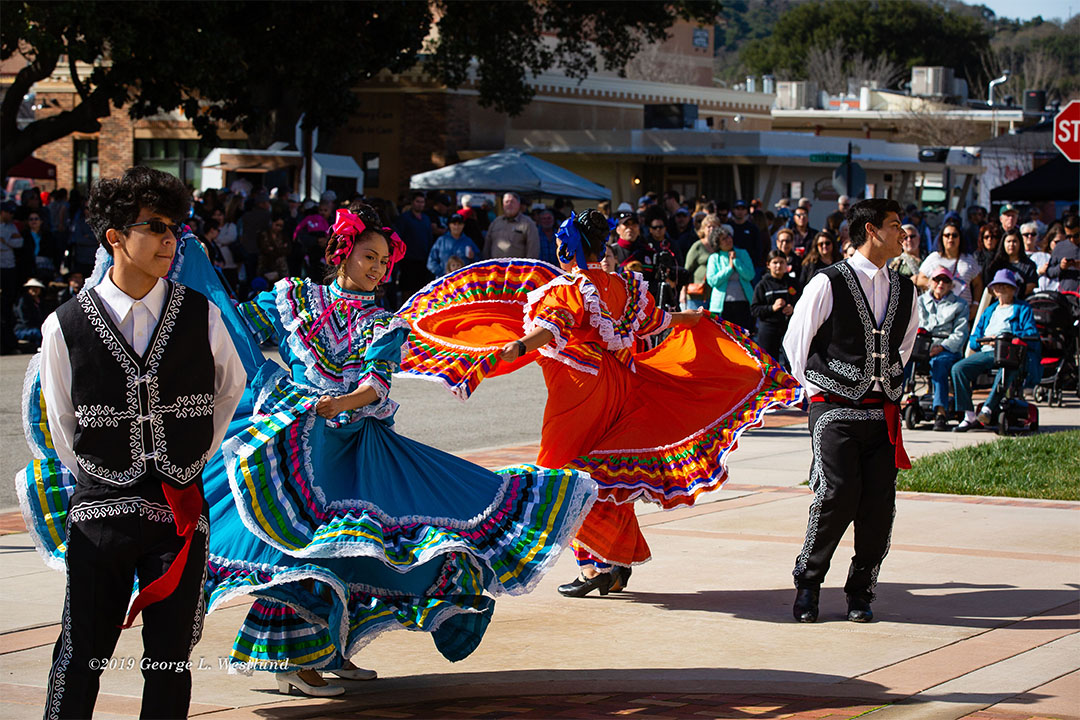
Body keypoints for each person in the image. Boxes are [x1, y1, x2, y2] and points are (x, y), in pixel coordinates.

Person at [204, 204, 596, 695]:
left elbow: (377, 384)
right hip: (299, 443)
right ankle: (292, 660)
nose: (377, 268)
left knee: (362, 545)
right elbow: (235, 329)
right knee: (299, 547)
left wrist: (338, 404)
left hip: (356, 446)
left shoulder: (383, 321)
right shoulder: (297, 299)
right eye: (369, 256)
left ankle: (329, 649)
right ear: (342, 252)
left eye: (384, 262)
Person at [399, 209, 796, 597]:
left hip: (578, 388)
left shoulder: (568, 289)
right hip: (617, 383)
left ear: (570, 247)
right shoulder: (620, 285)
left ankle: (595, 566)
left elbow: (552, 326)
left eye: (560, 243)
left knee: (561, 476)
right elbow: (657, 321)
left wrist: (519, 345)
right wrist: (694, 319)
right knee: (605, 473)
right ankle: (613, 561)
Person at [33, 167, 246, 718]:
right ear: (115, 237)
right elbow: (61, 419)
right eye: (155, 227)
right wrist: (101, 472)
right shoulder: (66, 324)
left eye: (176, 228)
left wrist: (189, 454)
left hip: (177, 512)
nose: (170, 240)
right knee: (82, 650)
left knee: (171, 658)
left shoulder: (200, 313)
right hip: (99, 515)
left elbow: (230, 388)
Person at [782, 198, 919, 625]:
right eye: (895, 225)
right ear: (872, 231)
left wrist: (887, 381)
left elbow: (905, 343)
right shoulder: (828, 282)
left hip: (882, 412)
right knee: (836, 495)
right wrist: (817, 392)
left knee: (879, 504)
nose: (903, 233)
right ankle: (808, 583)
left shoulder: (905, 287)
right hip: (834, 410)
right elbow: (794, 344)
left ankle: (861, 589)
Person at [952, 269, 1039, 432]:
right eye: (997, 286)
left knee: (1008, 366)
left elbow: (1031, 333)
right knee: (959, 368)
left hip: (1010, 352)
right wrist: (985, 341)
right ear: (993, 290)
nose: (1001, 289)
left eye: (1005, 286)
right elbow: (974, 337)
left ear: (1013, 289)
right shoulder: (990, 310)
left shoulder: (1022, 308)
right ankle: (968, 415)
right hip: (987, 350)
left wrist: (1007, 337)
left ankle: (988, 408)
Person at [916, 267, 969, 431]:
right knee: (900, 361)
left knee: (939, 364)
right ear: (930, 282)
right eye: (937, 279)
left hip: (947, 348)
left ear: (951, 285)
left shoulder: (960, 304)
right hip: (922, 345)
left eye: (945, 281)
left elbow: (960, 334)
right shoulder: (920, 301)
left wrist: (941, 347)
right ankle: (893, 405)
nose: (940, 284)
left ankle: (940, 412)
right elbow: (916, 325)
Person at [915, 220, 981, 308]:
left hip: (963, 312)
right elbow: (920, 280)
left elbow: (978, 284)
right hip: (938, 311)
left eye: (954, 235)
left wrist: (976, 304)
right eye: (947, 235)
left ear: (960, 238)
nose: (951, 238)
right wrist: (939, 284)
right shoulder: (933, 258)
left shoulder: (969, 259)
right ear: (941, 238)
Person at [752, 250, 799, 366]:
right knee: (769, 365)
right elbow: (754, 309)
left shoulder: (793, 283)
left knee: (792, 363)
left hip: (789, 328)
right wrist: (771, 308)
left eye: (782, 262)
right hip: (768, 329)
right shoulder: (762, 285)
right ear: (768, 265)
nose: (778, 266)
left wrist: (793, 308)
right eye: (775, 262)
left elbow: (803, 302)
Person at [706, 224, 755, 330]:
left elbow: (750, 275)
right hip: (722, 305)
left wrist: (736, 262)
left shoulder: (742, 253)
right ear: (717, 243)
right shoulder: (714, 258)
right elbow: (712, 281)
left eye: (728, 236)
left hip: (743, 303)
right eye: (723, 239)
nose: (728, 240)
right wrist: (729, 268)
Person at [394, 190, 435, 300]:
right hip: (408, 260)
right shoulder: (404, 218)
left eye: (422, 202)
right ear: (412, 202)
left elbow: (429, 237)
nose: (420, 204)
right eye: (418, 201)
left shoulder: (426, 218)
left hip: (423, 260)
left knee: (421, 290)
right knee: (407, 289)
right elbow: (398, 238)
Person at [484, 192, 540, 260]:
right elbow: (487, 246)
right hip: (495, 268)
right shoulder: (495, 222)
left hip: (517, 269)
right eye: (506, 202)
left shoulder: (528, 224)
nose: (509, 204)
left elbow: (533, 250)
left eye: (512, 202)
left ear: (518, 204)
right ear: (503, 205)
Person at [982, 229, 1037, 298]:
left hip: (1021, 303)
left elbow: (1030, 287)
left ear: (1020, 243)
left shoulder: (1029, 265)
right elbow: (989, 287)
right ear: (1003, 243)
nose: (1011, 244)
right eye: (1008, 241)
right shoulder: (995, 264)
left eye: (1014, 241)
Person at [683, 219, 716, 310]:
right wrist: (683, 291)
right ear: (703, 229)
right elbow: (687, 270)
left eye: (715, 226)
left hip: (715, 295)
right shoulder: (697, 246)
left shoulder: (720, 247)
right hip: (696, 294)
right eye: (709, 226)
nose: (712, 229)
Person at [1045, 215, 1079, 293]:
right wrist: (1061, 267)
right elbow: (1050, 272)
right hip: (1068, 296)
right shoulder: (1060, 247)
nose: (1072, 239)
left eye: (1076, 236)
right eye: (1069, 236)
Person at [22, 209, 56, 280]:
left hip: (45, 269)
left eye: (36, 219)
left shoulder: (48, 235)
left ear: (41, 221)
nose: (34, 221)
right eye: (31, 219)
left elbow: (54, 253)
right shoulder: (24, 235)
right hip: (28, 268)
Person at [730, 199, 763, 270]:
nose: (740, 211)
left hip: (748, 265)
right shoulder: (728, 227)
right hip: (731, 264)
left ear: (746, 211)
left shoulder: (753, 228)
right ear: (733, 210)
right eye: (737, 209)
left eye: (743, 209)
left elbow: (758, 248)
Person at [14, 277, 47, 350]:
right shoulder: (23, 301)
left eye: (37, 288)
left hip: (36, 327)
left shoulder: (40, 302)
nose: (35, 290)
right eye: (32, 288)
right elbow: (24, 319)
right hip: (23, 329)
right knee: (37, 333)